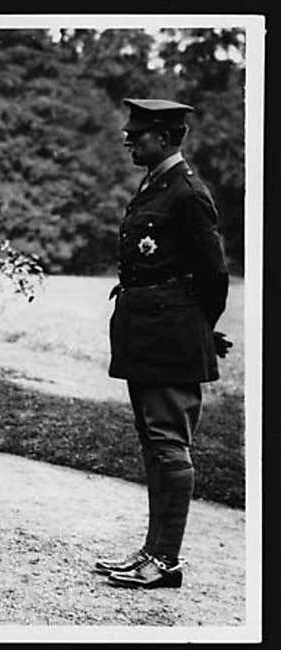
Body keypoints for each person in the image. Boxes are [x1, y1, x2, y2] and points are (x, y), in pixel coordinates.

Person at [95, 99, 231, 588]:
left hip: (170, 335)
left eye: (140, 134)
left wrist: (196, 327)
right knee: (155, 445)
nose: (130, 140)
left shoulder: (188, 194)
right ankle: (152, 552)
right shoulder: (156, 183)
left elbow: (214, 276)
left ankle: (166, 561)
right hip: (148, 333)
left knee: (170, 447)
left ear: (168, 137)